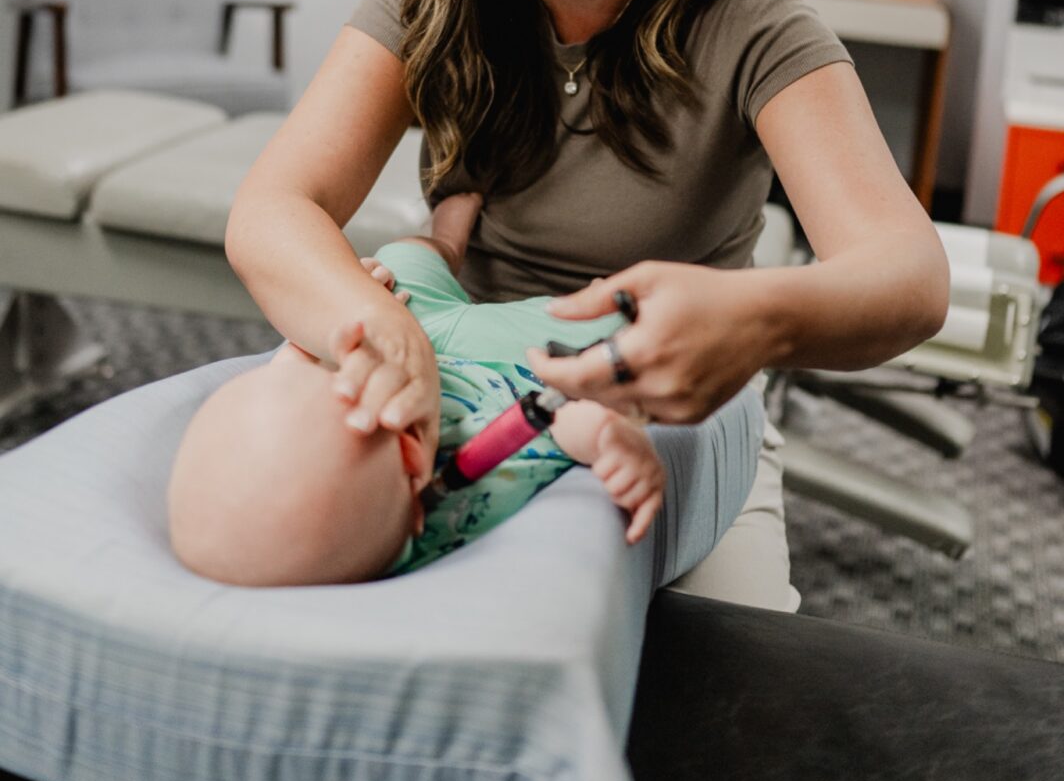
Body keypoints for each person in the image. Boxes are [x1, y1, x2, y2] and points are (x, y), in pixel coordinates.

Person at [225, 0, 949, 611]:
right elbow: (275, 208)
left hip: (671, 411)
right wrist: (375, 330)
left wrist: (754, 319)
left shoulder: (750, 15)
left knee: (724, 693)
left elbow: (908, 274)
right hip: (471, 377)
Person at [170, 193, 748, 586]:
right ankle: (614, 262)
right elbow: (556, 424)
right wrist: (612, 442)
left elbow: (308, 348)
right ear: (410, 453)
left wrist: (344, 312)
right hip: (519, 353)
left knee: (398, 259)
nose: (321, 373)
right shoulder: (467, 490)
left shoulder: (349, 497)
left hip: (403, 323)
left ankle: (446, 234)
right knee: (620, 318)